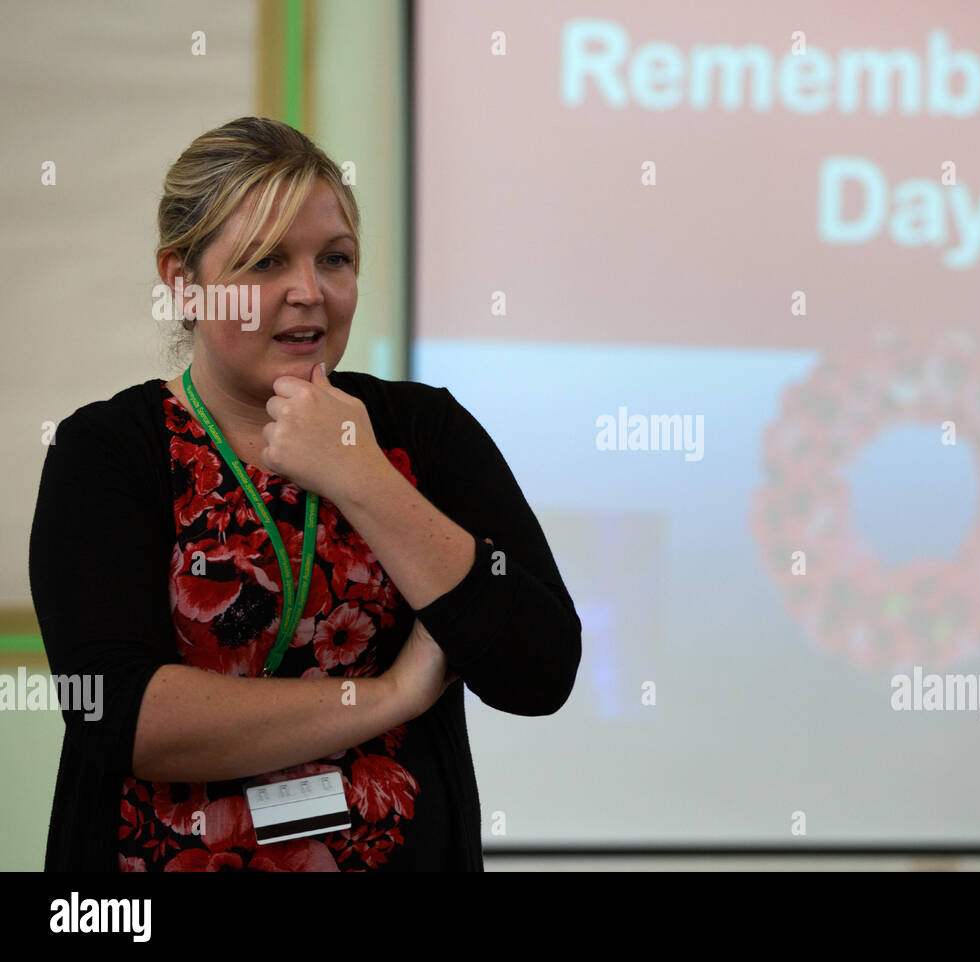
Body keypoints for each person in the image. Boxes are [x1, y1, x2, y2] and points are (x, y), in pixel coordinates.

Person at [27, 116, 581, 871]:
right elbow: (124, 718)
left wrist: (363, 477)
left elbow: (540, 672)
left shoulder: (422, 431)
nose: (309, 292)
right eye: (265, 264)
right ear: (182, 283)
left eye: (336, 259)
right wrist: (389, 695)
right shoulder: (106, 451)